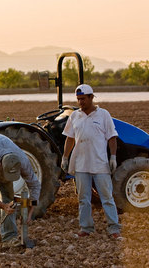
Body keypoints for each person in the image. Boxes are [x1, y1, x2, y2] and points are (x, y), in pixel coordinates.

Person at [61, 84, 122, 240]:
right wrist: (65, 157)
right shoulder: (75, 116)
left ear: (91, 97)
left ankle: (113, 228)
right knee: (83, 198)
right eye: (78, 99)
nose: (81, 102)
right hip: (81, 164)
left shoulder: (103, 115)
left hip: (100, 163)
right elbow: (70, 138)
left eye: (83, 99)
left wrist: (113, 157)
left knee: (106, 197)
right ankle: (86, 227)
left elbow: (112, 137)